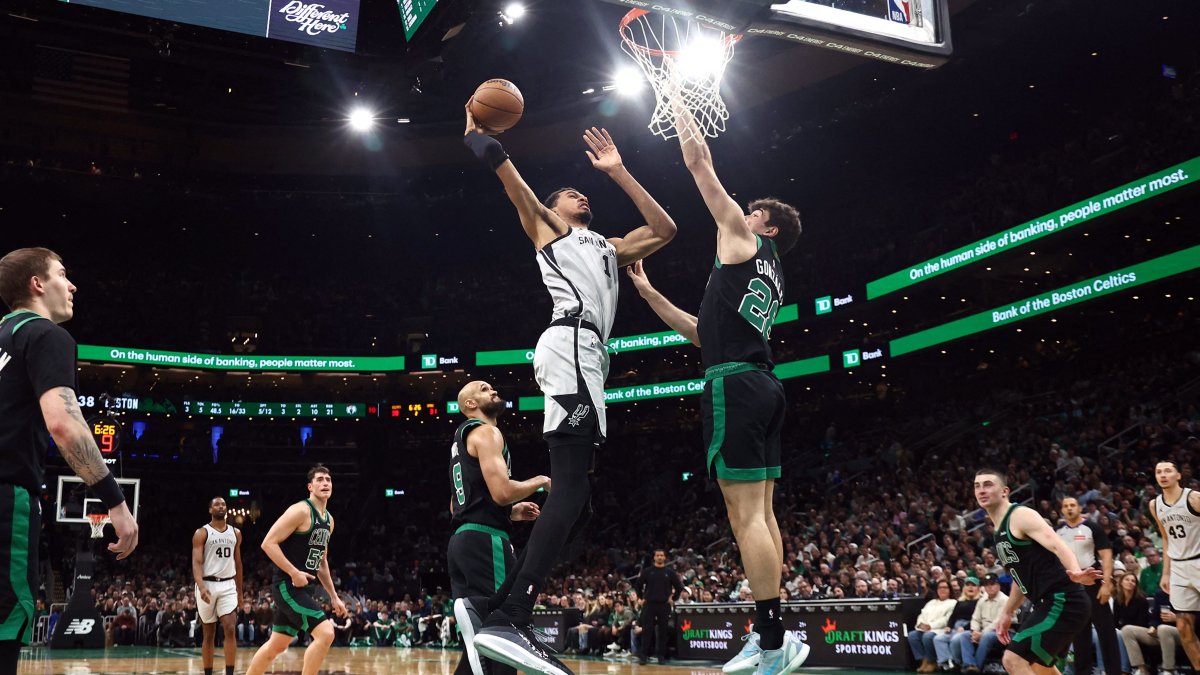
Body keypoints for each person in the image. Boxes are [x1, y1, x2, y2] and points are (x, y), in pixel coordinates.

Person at [462, 101, 676, 675]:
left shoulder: (609, 245)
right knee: (572, 486)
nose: (580, 196)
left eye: (584, 194)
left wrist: (619, 172)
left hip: (590, 359)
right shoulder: (550, 228)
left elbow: (666, 229)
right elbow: (514, 184)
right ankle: (511, 616)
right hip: (570, 344)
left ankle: (504, 616)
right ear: (554, 209)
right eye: (570, 193)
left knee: (576, 495)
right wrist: (478, 138)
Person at [625, 99, 805, 675]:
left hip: (736, 388)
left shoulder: (742, 239)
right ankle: (779, 633)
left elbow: (699, 162)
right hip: (761, 384)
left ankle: (773, 642)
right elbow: (705, 335)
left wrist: (677, 98)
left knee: (745, 517)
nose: (742, 212)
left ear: (766, 226)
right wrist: (651, 295)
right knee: (764, 514)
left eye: (753, 211)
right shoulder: (769, 271)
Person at [0, 247, 139, 670]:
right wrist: (115, 501)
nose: (73, 284)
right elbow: (64, 424)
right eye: (63, 274)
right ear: (37, 284)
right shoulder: (46, 335)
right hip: (7, 500)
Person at [448, 381, 547, 675]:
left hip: (462, 540)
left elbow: (456, 505)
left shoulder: (459, 441)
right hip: (487, 540)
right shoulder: (487, 432)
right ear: (469, 404)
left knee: (478, 647)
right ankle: (478, 609)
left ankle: (474, 610)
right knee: (504, 629)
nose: (492, 390)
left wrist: (511, 513)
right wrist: (541, 481)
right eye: (483, 389)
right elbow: (502, 492)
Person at [973, 468, 1101, 675]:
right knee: (1040, 668)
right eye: (977, 486)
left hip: (1062, 600)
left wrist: (1076, 571)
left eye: (988, 484)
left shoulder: (1020, 515)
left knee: (1013, 659)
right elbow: (1020, 579)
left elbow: (1057, 544)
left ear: (1005, 491)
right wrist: (1007, 612)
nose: (981, 490)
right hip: (1050, 603)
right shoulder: (998, 531)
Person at [244, 466, 348, 675]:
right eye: (320, 479)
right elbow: (268, 543)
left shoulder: (329, 520)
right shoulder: (300, 510)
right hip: (287, 586)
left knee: (277, 646)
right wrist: (293, 572)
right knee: (326, 634)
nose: (325, 482)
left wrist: (334, 597)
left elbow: (322, 561)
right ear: (310, 486)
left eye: (328, 479)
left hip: (304, 589)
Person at [1056, 496, 1121, 675]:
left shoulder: (1092, 527)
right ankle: (1083, 672)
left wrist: (1107, 584)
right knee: (1079, 632)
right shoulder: (1058, 531)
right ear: (1062, 510)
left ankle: (1114, 671)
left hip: (1093, 579)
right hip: (1071, 583)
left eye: (1073, 505)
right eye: (1066, 506)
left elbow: (1106, 556)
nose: (1069, 508)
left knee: (1105, 630)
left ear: (1079, 508)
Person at [1150, 459, 1200, 670]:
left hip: (1198, 559)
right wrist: (1166, 573)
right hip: (1178, 568)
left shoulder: (1194, 498)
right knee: (1183, 627)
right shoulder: (1155, 504)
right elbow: (1165, 538)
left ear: (1178, 475)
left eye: (1168, 471)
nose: (1163, 475)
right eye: (1159, 471)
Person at [192, 496, 243, 675]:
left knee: (230, 628)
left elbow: (238, 563)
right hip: (207, 584)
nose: (221, 506)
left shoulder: (236, 533)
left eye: (223, 504)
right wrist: (201, 585)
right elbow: (196, 562)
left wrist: (241, 593)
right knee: (209, 633)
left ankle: (229, 673)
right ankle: (208, 672)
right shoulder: (202, 533)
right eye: (216, 504)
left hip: (228, 584)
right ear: (210, 510)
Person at [636, 548, 684, 664]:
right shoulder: (647, 571)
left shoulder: (669, 572)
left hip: (664, 605)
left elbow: (679, 587)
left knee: (663, 631)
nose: (660, 557)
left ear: (664, 557)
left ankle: (661, 656)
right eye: (657, 555)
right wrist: (640, 598)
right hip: (649, 604)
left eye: (661, 555)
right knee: (647, 630)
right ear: (654, 557)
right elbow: (638, 585)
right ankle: (643, 656)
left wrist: (673, 598)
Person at [952, 573, 1008, 673]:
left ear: (998, 586)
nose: (989, 587)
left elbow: (999, 621)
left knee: (986, 636)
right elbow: (975, 619)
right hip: (983, 631)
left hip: (1002, 632)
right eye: (986, 584)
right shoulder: (982, 601)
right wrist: (975, 631)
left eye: (992, 584)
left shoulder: (1005, 600)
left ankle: (976, 667)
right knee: (965, 635)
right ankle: (970, 665)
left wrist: (981, 634)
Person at [907, 580, 956, 672]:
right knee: (912, 635)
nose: (942, 590)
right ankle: (923, 660)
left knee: (928, 636)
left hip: (940, 629)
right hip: (925, 628)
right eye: (940, 588)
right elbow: (922, 614)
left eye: (945, 587)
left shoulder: (953, 602)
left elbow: (947, 619)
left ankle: (932, 661)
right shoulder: (931, 602)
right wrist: (920, 624)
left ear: (950, 590)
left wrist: (930, 626)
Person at [933, 576, 980, 670]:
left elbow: (978, 618)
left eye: (973, 586)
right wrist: (949, 626)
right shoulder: (960, 601)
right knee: (938, 638)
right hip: (955, 627)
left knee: (955, 640)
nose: (970, 588)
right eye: (968, 585)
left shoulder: (980, 601)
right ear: (964, 588)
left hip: (969, 627)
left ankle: (957, 662)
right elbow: (953, 616)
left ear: (978, 588)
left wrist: (965, 628)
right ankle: (947, 662)